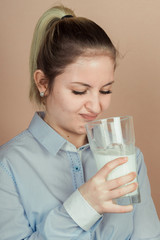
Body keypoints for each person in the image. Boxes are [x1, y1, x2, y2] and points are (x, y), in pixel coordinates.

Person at [0, 5, 159, 240]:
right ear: (43, 83)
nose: (96, 107)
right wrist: (83, 205)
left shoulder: (129, 159)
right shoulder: (8, 167)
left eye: (105, 90)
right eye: (79, 91)